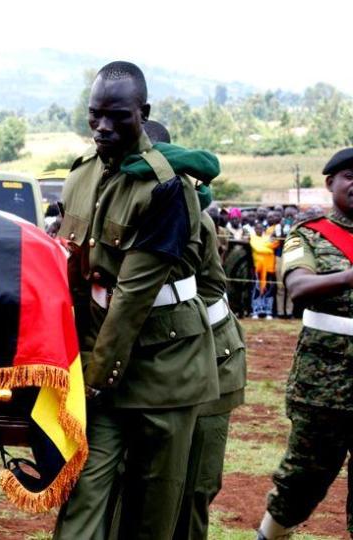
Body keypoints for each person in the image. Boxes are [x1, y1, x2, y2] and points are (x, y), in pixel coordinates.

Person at [52, 61, 218, 540]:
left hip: (166, 370)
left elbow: (134, 294)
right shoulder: (80, 175)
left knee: (152, 512)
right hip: (98, 362)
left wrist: (95, 375)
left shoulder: (166, 187)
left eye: (118, 116)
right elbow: (75, 274)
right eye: (95, 115)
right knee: (82, 497)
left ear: (143, 114)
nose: (103, 128)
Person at [142, 121, 248, 540]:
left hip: (208, 362)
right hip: (156, 360)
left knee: (193, 486)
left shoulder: (187, 210)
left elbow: (207, 292)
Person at [256, 148, 353, 540]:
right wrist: (349, 276)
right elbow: (298, 288)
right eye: (349, 175)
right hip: (323, 384)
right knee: (303, 479)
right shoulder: (309, 234)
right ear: (330, 183)